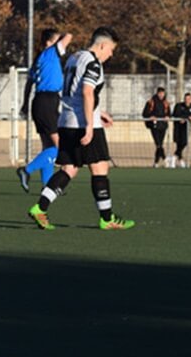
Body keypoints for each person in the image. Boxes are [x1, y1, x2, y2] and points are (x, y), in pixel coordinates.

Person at [27, 27, 134, 231]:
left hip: (65, 121)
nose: (111, 54)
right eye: (111, 50)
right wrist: (90, 126)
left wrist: (98, 112)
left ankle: (40, 208)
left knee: (69, 169)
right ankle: (107, 218)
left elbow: (75, 91)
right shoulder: (94, 63)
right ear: (102, 45)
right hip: (83, 124)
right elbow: (86, 92)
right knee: (100, 167)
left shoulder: (74, 57)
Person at [16, 29, 73, 192]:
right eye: (56, 40)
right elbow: (69, 36)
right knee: (59, 147)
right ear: (49, 42)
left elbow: (29, 84)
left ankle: (48, 186)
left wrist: (25, 104)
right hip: (48, 101)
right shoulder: (50, 52)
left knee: (48, 146)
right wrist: (61, 35)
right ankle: (26, 170)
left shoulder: (39, 59)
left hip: (39, 102)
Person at [142, 87, 171, 167]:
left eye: (163, 93)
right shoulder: (151, 102)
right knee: (158, 144)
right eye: (160, 93)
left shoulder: (166, 103)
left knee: (160, 144)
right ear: (157, 93)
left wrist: (167, 117)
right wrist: (150, 116)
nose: (161, 95)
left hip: (163, 126)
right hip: (154, 126)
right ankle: (165, 159)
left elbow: (169, 113)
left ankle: (156, 162)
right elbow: (144, 113)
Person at [170, 92, 191, 168]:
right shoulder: (179, 106)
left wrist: (189, 117)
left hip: (186, 128)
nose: (187, 100)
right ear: (184, 99)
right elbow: (175, 114)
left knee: (184, 143)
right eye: (186, 99)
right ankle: (178, 160)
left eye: (189, 99)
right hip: (178, 128)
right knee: (179, 144)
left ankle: (175, 157)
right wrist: (187, 117)